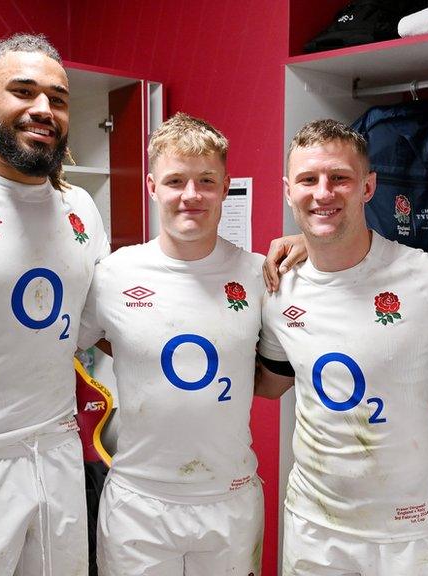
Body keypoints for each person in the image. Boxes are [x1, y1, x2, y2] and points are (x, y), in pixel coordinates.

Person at [255, 119, 428, 576]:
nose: (323, 193)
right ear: (287, 190)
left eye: (339, 178)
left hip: (407, 534)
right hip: (314, 527)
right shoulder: (279, 287)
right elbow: (269, 384)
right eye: (308, 180)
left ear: (368, 186)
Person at [0, 34, 108, 576]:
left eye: (56, 98)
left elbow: (99, 321)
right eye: (23, 92)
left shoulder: (79, 208)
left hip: (58, 447)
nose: (42, 109)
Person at [77, 112, 265, 576]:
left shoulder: (260, 273)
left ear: (225, 186)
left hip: (229, 496)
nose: (191, 195)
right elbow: (79, 341)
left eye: (206, 180)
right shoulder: (114, 274)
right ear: (152, 186)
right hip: (139, 502)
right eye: (176, 180)